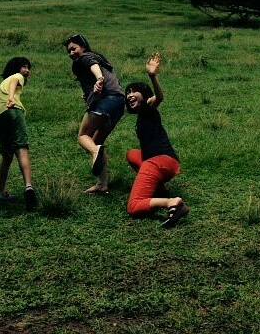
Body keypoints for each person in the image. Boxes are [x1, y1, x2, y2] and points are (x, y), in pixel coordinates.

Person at [125, 53, 189, 228]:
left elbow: (159, 97)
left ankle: (172, 203)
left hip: (157, 163)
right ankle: (159, 188)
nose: (129, 95)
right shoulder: (142, 115)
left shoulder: (148, 108)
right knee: (131, 154)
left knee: (134, 206)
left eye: (134, 91)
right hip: (168, 161)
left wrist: (152, 76)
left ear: (145, 95)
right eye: (127, 93)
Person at [65, 34, 125, 194]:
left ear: (83, 47)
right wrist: (88, 94)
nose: (71, 53)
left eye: (74, 48)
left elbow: (93, 67)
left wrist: (99, 79)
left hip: (105, 101)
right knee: (96, 141)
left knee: (83, 136)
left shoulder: (85, 57)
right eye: (69, 51)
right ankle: (102, 184)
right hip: (119, 103)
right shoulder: (100, 58)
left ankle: (95, 152)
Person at [0, 57, 38, 210]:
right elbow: (14, 81)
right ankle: (28, 187)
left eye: (28, 68)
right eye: (24, 67)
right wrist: (11, 98)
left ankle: (0, 193)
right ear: (15, 68)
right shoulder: (17, 76)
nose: (27, 70)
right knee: (21, 148)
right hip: (13, 111)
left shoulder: (1, 85)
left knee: (6, 155)